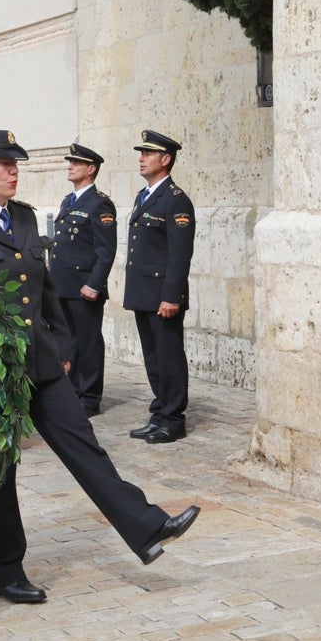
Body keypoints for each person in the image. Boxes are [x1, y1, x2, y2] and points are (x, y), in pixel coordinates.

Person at [0, 129, 199, 604]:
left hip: (40, 359)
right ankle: (5, 570)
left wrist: (61, 341)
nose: (13, 171)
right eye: (3, 164)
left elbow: (43, 284)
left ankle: (146, 524)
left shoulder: (26, 217)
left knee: (84, 445)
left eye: (16, 164)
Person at [124, 129, 195, 444]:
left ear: (165, 160)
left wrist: (171, 297)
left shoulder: (176, 201)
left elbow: (180, 255)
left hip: (163, 296)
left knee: (168, 357)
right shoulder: (145, 196)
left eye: (148, 153)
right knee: (153, 358)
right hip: (144, 294)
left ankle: (173, 419)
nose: (141, 158)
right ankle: (160, 412)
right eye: (141, 153)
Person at [48, 143, 116, 417]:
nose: (70, 166)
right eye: (70, 162)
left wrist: (95, 284)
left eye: (76, 162)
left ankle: (89, 397)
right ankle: (72, 390)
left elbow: (106, 251)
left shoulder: (100, 203)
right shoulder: (69, 201)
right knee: (67, 342)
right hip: (63, 285)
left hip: (84, 287)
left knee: (87, 342)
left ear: (91, 169)